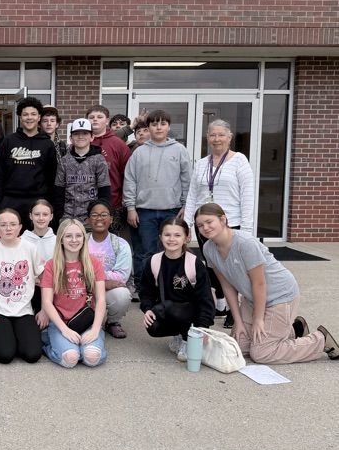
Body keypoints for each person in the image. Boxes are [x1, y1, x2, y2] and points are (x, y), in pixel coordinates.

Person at [196, 203, 338, 364]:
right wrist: (238, 321)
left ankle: (320, 340)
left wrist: (258, 319)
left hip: (279, 296)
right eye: (200, 225)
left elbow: (259, 283)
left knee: (262, 353)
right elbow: (227, 285)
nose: (205, 228)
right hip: (252, 299)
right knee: (238, 347)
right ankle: (295, 330)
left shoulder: (245, 243)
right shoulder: (208, 249)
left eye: (209, 222)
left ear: (223, 219)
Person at [184, 119, 255, 318]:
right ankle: (221, 304)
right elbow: (192, 195)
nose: (217, 139)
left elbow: (247, 196)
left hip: (230, 223)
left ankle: (236, 310)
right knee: (212, 265)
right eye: (213, 135)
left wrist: (246, 230)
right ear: (207, 138)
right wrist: (187, 224)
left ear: (229, 137)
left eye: (221, 135)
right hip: (204, 225)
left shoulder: (239, 161)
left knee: (234, 267)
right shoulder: (201, 164)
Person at [123, 108, 191, 296]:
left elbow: (187, 180)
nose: (158, 127)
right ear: (148, 128)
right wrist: (130, 207)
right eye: (154, 124)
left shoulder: (179, 150)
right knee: (146, 252)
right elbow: (130, 180)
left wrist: (186, 205)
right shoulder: (139, 152)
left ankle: (169, 287)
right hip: (144, 211)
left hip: (172, 210)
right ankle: (145, 289)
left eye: (162, 124)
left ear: (169, 127)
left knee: (172, 250)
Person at [138, 217, 215, 362]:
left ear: (186, 238)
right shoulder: (154, 261)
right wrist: (147, 309)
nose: (171, 239)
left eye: (177, 235)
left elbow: (206, 299)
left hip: (191, 311)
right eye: (167, 235)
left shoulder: (195, 264)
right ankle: (179, 334)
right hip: (168, 309)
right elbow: (145, 292)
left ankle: (187, 339)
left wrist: (203, 327)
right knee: (153, 326)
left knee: (177, 311)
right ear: (161, 237)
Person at [41, 219, 107, 368]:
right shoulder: (52, 265)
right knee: (70, 359)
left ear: (84, 238)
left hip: (87, 322)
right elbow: (46, 302)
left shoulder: (94, 263)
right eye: (68, 236)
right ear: (61, 239)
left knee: (92, 358)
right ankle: (48, 342)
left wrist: (95, 329)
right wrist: (64, 330)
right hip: (61, 323)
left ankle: (80, 347)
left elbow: (101, 299)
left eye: (78, 235)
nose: (74, 240)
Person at [0, 208, 44, 364]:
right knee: (5, 355)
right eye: (3, 225)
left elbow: (45, 281)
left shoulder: (30, 248)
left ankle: (13, 336)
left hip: (23, 310)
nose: (8, 228)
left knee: (32, 355)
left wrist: (44, 310)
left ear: (20, 227)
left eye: (13, 224)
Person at [0, 97, 57, 223]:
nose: (29, 118)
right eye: (25, 114)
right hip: (10, 201)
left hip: (38, 202)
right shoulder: (9, 141)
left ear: (39, 117)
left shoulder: (47, 144)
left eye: (33, 114)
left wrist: (49, 203)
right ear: (20, 118)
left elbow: (51, 177)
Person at [87, 199, 133, 339]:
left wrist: (94, 278)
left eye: (104, 215)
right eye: (94, 215)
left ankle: (112, 322)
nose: (99, 219)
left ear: (111, 219)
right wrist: (104, 282)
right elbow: (76, 273)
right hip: (83, 289)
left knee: (122, 294)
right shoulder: (81, 241)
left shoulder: (120, 244)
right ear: (88, 219)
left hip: (106, 290)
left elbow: (121, 277)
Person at [54, 117, 111, 224]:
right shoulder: (64, 161)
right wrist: (60, 216)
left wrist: (101, 215)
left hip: (92, 218)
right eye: (76, 134)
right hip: (68, 217)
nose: (80, 137)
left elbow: (104, 191)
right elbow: (58, 192)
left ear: (92, 137)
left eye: (85, 133)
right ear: (71, 138)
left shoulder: (98, 160)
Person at [86, 104, 131, 235]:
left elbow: (128, 176)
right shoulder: (79, 142)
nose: (95, 119)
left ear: (107, 121)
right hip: (85, 205)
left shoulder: (118, 144)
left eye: (99, 117)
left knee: (112, 243)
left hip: (113, 204)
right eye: (91, 117)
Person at [22, 198, 57, 327]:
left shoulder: (58, 241)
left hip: (53, 287)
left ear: (51, 216)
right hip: (30, 288)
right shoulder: (22, 241)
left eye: (45, 214)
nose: (41, 218)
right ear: (31, 216)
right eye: (37, 214)